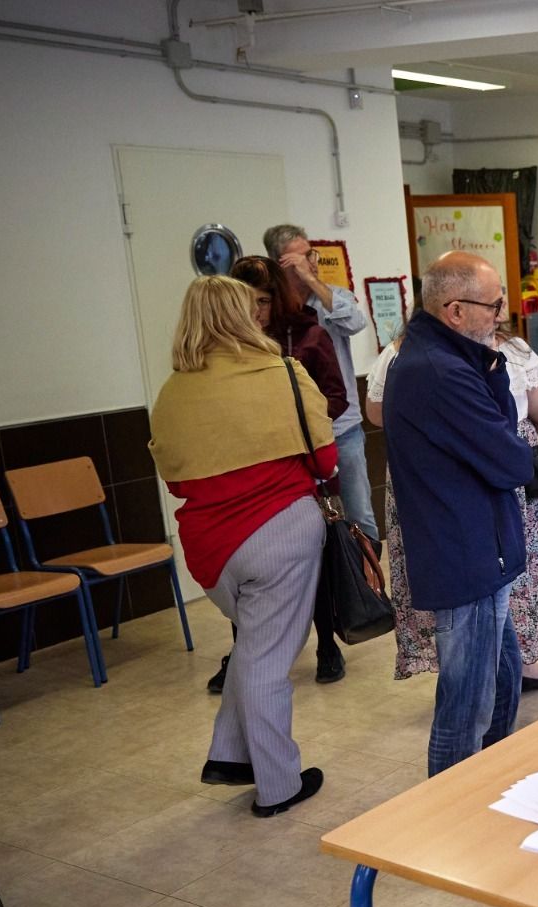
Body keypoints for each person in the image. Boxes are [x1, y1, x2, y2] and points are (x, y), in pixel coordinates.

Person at [148, 275, 333, 817]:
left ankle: (230, 756)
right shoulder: (281, 374)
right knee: (269, 661)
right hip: (281, 533)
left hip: (208, 550)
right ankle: (278, 784)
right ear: (241, 314)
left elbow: (177, 481)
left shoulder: (172, 392)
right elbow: (324, 462)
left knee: (254, 646)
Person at [371, 305, 538, 694]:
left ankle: (476, 667)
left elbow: (376, 412)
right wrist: (519, 438)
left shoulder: (400, 352)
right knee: (510, 564)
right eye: (492, 302)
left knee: (455, 571)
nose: (498, 310)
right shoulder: (512, 349)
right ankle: (509, 666)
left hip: (420, 474)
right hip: (495, 467)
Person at [383, 252, 538, 776]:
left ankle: (486, 788)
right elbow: (513, 459)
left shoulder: (454, 359)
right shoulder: (439, 372)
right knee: (465, 706)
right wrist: (490, 376)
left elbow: (501, 435)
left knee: (501, 684)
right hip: (465, 555)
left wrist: (491, 365)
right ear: (454, 310)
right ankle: (450, 815)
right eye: (493, 305)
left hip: (481, 549)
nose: (501, 314)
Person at [195, 255, 350, 694]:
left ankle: (326, 645)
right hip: (247, 479)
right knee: (244, 573)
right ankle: (243, 654)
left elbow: (334, 399)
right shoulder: (224, 351)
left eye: (261, 301)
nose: (253, 312)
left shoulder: (308, 335)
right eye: (244, 301)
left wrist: (292, 431)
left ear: (276, 300)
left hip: (307, 468)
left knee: (315, 563)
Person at [262, 223, 379, 548]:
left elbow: (355, 323)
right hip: (295, 436)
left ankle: (371, 588)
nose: (311, 262)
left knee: (360, 513)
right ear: (280, 263)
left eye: (311, 254)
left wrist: (312, 280)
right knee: (309, 521)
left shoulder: (333, 297)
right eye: (301, 259)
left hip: (344, 429)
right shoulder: (272, 310)